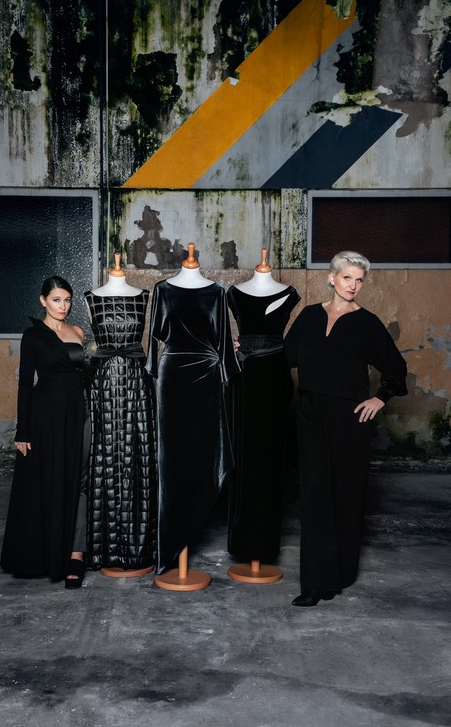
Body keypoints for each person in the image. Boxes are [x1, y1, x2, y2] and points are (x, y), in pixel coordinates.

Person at [284, 251, 407, 607]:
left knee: (345, 494)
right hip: (310, 414)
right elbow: (283, 355)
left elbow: (396, 368)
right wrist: (248, 346)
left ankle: (340, 574)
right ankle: (316, 582)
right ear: (331, 278)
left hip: (349, 418)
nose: (353, 285)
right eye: (347, 277)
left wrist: (379, 398)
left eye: (359, 280)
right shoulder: (309, 316)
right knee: (314, 496)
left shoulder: (367, 323)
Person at [145, 243, 240, 575]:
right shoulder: (163, 290)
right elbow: (154, 338)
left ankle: (194, 514)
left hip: (206, 376)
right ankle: (171, 540)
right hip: (172, 376)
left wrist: (227, 372)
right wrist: (152, 369)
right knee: (171, 458)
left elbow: (224, 339)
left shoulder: (216, 292)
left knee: (203, 450)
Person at [0, 276, 88, 589]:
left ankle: (75, 553)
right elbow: (25, 383)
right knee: (47, 480)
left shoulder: (78, 332)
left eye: (67, 300)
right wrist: (22, 431)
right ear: (43, 301)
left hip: (78, 412)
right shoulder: (33, 336)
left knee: (78, 478)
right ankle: (47, 555)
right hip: (45, 417)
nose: (63, 306)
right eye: (56, 300)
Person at [84, 253, 157, 575]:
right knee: (104, 456)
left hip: (136, 384)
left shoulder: (144, 296)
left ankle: (138, 550)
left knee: (137, 458)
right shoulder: (90, 297)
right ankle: (104, 551)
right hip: (101, 385)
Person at [227, 250, 300, 566]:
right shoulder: (234, 294)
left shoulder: (289, 294)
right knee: (242, 457)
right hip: (244, 377)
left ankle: (265, 545)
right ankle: (242, 542)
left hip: (273, 377)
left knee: (270, 459)